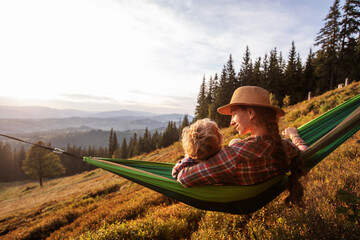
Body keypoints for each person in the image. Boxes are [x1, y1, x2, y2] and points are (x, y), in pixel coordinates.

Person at [172, 86, 308, 206]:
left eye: (234, 114)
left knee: (234, 142)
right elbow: (305, 153)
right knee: (234, 141)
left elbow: (183, 176)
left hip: (242, 199)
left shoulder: (231, 157)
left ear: (250, 113)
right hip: (260, 189)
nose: (231, 122)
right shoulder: (284, 147)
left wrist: (191, 152)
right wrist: (294, 136)